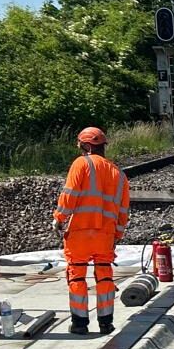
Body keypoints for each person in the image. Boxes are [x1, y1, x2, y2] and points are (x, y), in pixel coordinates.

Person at [55, 126, 131, 334]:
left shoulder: (81, 164)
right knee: (105, 276)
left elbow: (69, 196)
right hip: (105, 235)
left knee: (77, 275)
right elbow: (123, 211)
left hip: (80, 232)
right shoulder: (119, 174)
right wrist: (117, 234)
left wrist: (59, 218)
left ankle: (80, 324)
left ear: (87, 146)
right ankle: (106, 322)